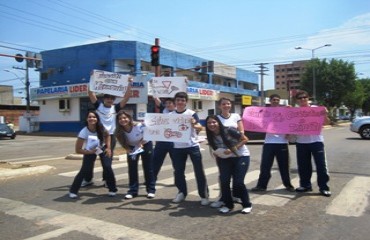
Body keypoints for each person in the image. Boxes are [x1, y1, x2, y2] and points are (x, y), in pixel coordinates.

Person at [82, 77, 132, 187]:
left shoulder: (116, 108)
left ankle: (106, 180)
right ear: (104, 99)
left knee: (106, 161)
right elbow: (90, 93)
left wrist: (129, 83)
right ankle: (88, 179)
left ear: (113, 100)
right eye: (108, 98)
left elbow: (127, 97)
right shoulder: (98, 106)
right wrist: (91, 78)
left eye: (112, 99)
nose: (110, 100)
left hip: (111, 137)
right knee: (89, 159)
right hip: (96, 136)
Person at [205, 115, 252, 214]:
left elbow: (245, 139)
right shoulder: (210, 135)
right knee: (224, 181)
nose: (211, 124)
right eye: (209, 123)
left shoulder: (229, 130)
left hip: (241, 156)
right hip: (224, 158)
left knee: (238, 182)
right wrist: (217, 153)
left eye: (214, 122)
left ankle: (247, 204)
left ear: (218, 122)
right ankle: (228, 205)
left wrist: (232, 149)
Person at [170, 91, 209, 205]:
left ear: (186, 102)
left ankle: (203, 195)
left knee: (199, 171)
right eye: (178, 100)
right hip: (177, 147)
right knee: (178, 171)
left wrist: (193, 124)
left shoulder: (191, 113)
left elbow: (199, 127)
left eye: (182, 100)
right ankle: (181, 192)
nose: (180, 102)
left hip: (192, 146)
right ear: (175, 102)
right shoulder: (171, 115)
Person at [69, 111, 117, 199]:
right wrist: (90, 152)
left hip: (101, 148)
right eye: (90, 117)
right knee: (84, 169)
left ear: (97, 119)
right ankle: (73, 190)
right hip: (90, 150)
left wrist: (108, 148)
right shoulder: (83, 132)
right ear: (87, 119)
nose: (92, 119)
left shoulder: (101, 127)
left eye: (94, 117)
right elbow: (78, 150)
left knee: (107, 166)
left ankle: (112, 189)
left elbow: (107, 136)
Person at [251, 94, 295, 192]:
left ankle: (288, 185)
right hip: (269, 143)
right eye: (274, 100)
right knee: (265, 166)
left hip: (282, 142)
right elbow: (258, 122)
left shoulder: (285, 111)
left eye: (277, 100)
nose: (275, 101)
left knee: (284, 166)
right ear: (270, 101)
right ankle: (261, 186)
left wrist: (291, 111)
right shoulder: (265, 112)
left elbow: (291, 122)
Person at [294, 90, 331, 197]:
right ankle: (305, 185)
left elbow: (326, 122)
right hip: (301, 142)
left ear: (308, 98)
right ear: (297, 100)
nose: (302, 99)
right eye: (300, 98)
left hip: (316, 141)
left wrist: (324, 114)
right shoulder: (294, 111)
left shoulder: (316, 109)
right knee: (303, 166)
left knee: (321, 165)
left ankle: (323, 187)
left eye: (304, 97)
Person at [211, 97, 245, 208]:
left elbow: (241, 132)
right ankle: (222, 197)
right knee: (223, 176)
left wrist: (235, 145)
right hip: (221, 152)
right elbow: (212, 134)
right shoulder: (216, 118)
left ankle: (235, 195)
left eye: (228, 103)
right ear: (219, 106)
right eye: (224, 104)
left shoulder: (236, 116)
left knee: (236, 175)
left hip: (235, 151)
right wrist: (215, 151)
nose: (226, 106)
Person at [115, 110, 156, 199]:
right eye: (120, 118)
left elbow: (148, 133)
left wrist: (141, 143)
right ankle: (133, 191)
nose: (123, 120)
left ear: (129, 118)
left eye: (125, 118)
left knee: (148, 168)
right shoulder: (118, 131)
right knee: (132, 168)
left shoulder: (138, 126)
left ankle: (151, 190)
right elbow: (123, 143)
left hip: (145, 144)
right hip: (132, 147)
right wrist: (128, 149)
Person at [152, 97, 176, 180]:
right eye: (167, 103)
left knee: (176, 162)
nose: (168, 105)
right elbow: (156, 100)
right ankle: (152, 178)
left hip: (174, 142)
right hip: (162, 141)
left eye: (170, 103)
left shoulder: (179, 112)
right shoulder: (164, 110)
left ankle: (178, 179)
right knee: (156, 160)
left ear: (174, 104)